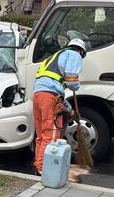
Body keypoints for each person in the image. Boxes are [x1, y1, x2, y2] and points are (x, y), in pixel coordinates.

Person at [33, 38, 86, 176]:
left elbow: (55, 89)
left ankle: (38, 165)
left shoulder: (55, 56)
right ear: (80, 51)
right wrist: (76, 86)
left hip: (39, 95)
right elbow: (72, 80)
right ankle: (44, 170)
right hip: (50, 96)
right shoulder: (74, 54)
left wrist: (70, 109)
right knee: (50, 136)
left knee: (41, 135)